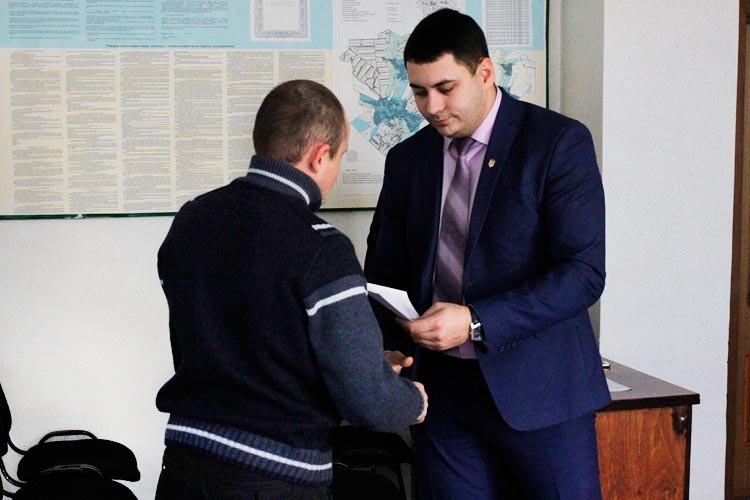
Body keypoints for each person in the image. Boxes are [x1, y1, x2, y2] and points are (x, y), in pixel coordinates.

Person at [364, 9, 610, 500]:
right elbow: (383, 271)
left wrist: (477, 321)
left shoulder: (558, 143)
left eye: (445, 88)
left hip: (541, 396)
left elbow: (583, 273)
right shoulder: (408, 160)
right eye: (419, 92)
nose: (431, 107)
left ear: (484, 72)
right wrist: (386, 347)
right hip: (441, 398)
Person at [154, 79, 427, 500]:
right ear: (319, 155)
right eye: (339, 156)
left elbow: (240, 343)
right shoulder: (321, 246)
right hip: (275, 477)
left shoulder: (192, 219)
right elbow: (368, 402)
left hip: (183, 466)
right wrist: (410, 400)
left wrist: (366, 366)